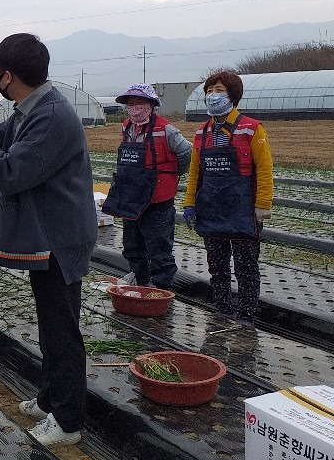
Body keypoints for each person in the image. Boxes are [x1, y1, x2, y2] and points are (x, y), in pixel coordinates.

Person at [0, 33, 96, 447]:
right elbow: (0, 137)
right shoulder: (30, 108)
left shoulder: (51, 116)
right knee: (51, 326)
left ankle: (68, 422)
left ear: (8, 76)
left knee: (62, 331)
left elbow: (12, 173)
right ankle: (50, 399)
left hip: (58, 239)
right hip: (46, 235)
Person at [182, 70, 273, 326]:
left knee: (246, 268)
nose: (213, 95)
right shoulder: (202, 133)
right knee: (217, 267)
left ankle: (246, 315)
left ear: (232, 95)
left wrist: (262, 206)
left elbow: (265, 170)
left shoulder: (252, 129)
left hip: (243, 211)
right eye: (209, 91)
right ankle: (222, 310)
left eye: (219, 91)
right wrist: (189, 203)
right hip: (211, 208)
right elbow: (195, 173)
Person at [102, 83, 191, 290]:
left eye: (140, 103)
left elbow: (187, 152)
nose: (134, 107)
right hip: (131, 197)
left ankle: (161, 290)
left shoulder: (166, 130)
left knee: (159, 247)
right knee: (132, 246)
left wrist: (173, 174)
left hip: (157, 199)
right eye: (131, 104)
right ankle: (142, 282)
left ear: (151, 105)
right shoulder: (126, 126)